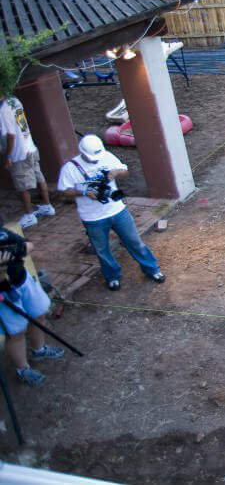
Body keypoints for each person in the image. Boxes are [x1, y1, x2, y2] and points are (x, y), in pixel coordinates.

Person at [56, 135, 165, 291]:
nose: (95, 160)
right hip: (92, 217)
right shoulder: (70, 168)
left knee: (135, 242)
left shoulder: (107, 156)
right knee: (102, 251)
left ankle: (152, 269)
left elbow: (125, 172)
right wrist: (84, 192)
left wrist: (116, 173)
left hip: (117, 210)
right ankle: (112, 276)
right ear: (83, 153)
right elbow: (64, 191)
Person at [0, 229, 65, 387]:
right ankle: (23, 369)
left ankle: (39, 350)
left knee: (38, 314)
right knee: (16, 333)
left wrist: (15, 251)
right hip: (3, 294)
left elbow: (29, 245)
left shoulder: (2, 234)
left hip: (23, 281)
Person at [0, 95, 56, 229]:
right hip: (30, 146)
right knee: (39, 177)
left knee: (22, 186)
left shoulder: (3, 110)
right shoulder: (14, 100)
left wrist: (7, 156)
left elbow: (11, 136)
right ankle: (48, 206)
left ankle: (29, 215)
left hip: (19, 154)